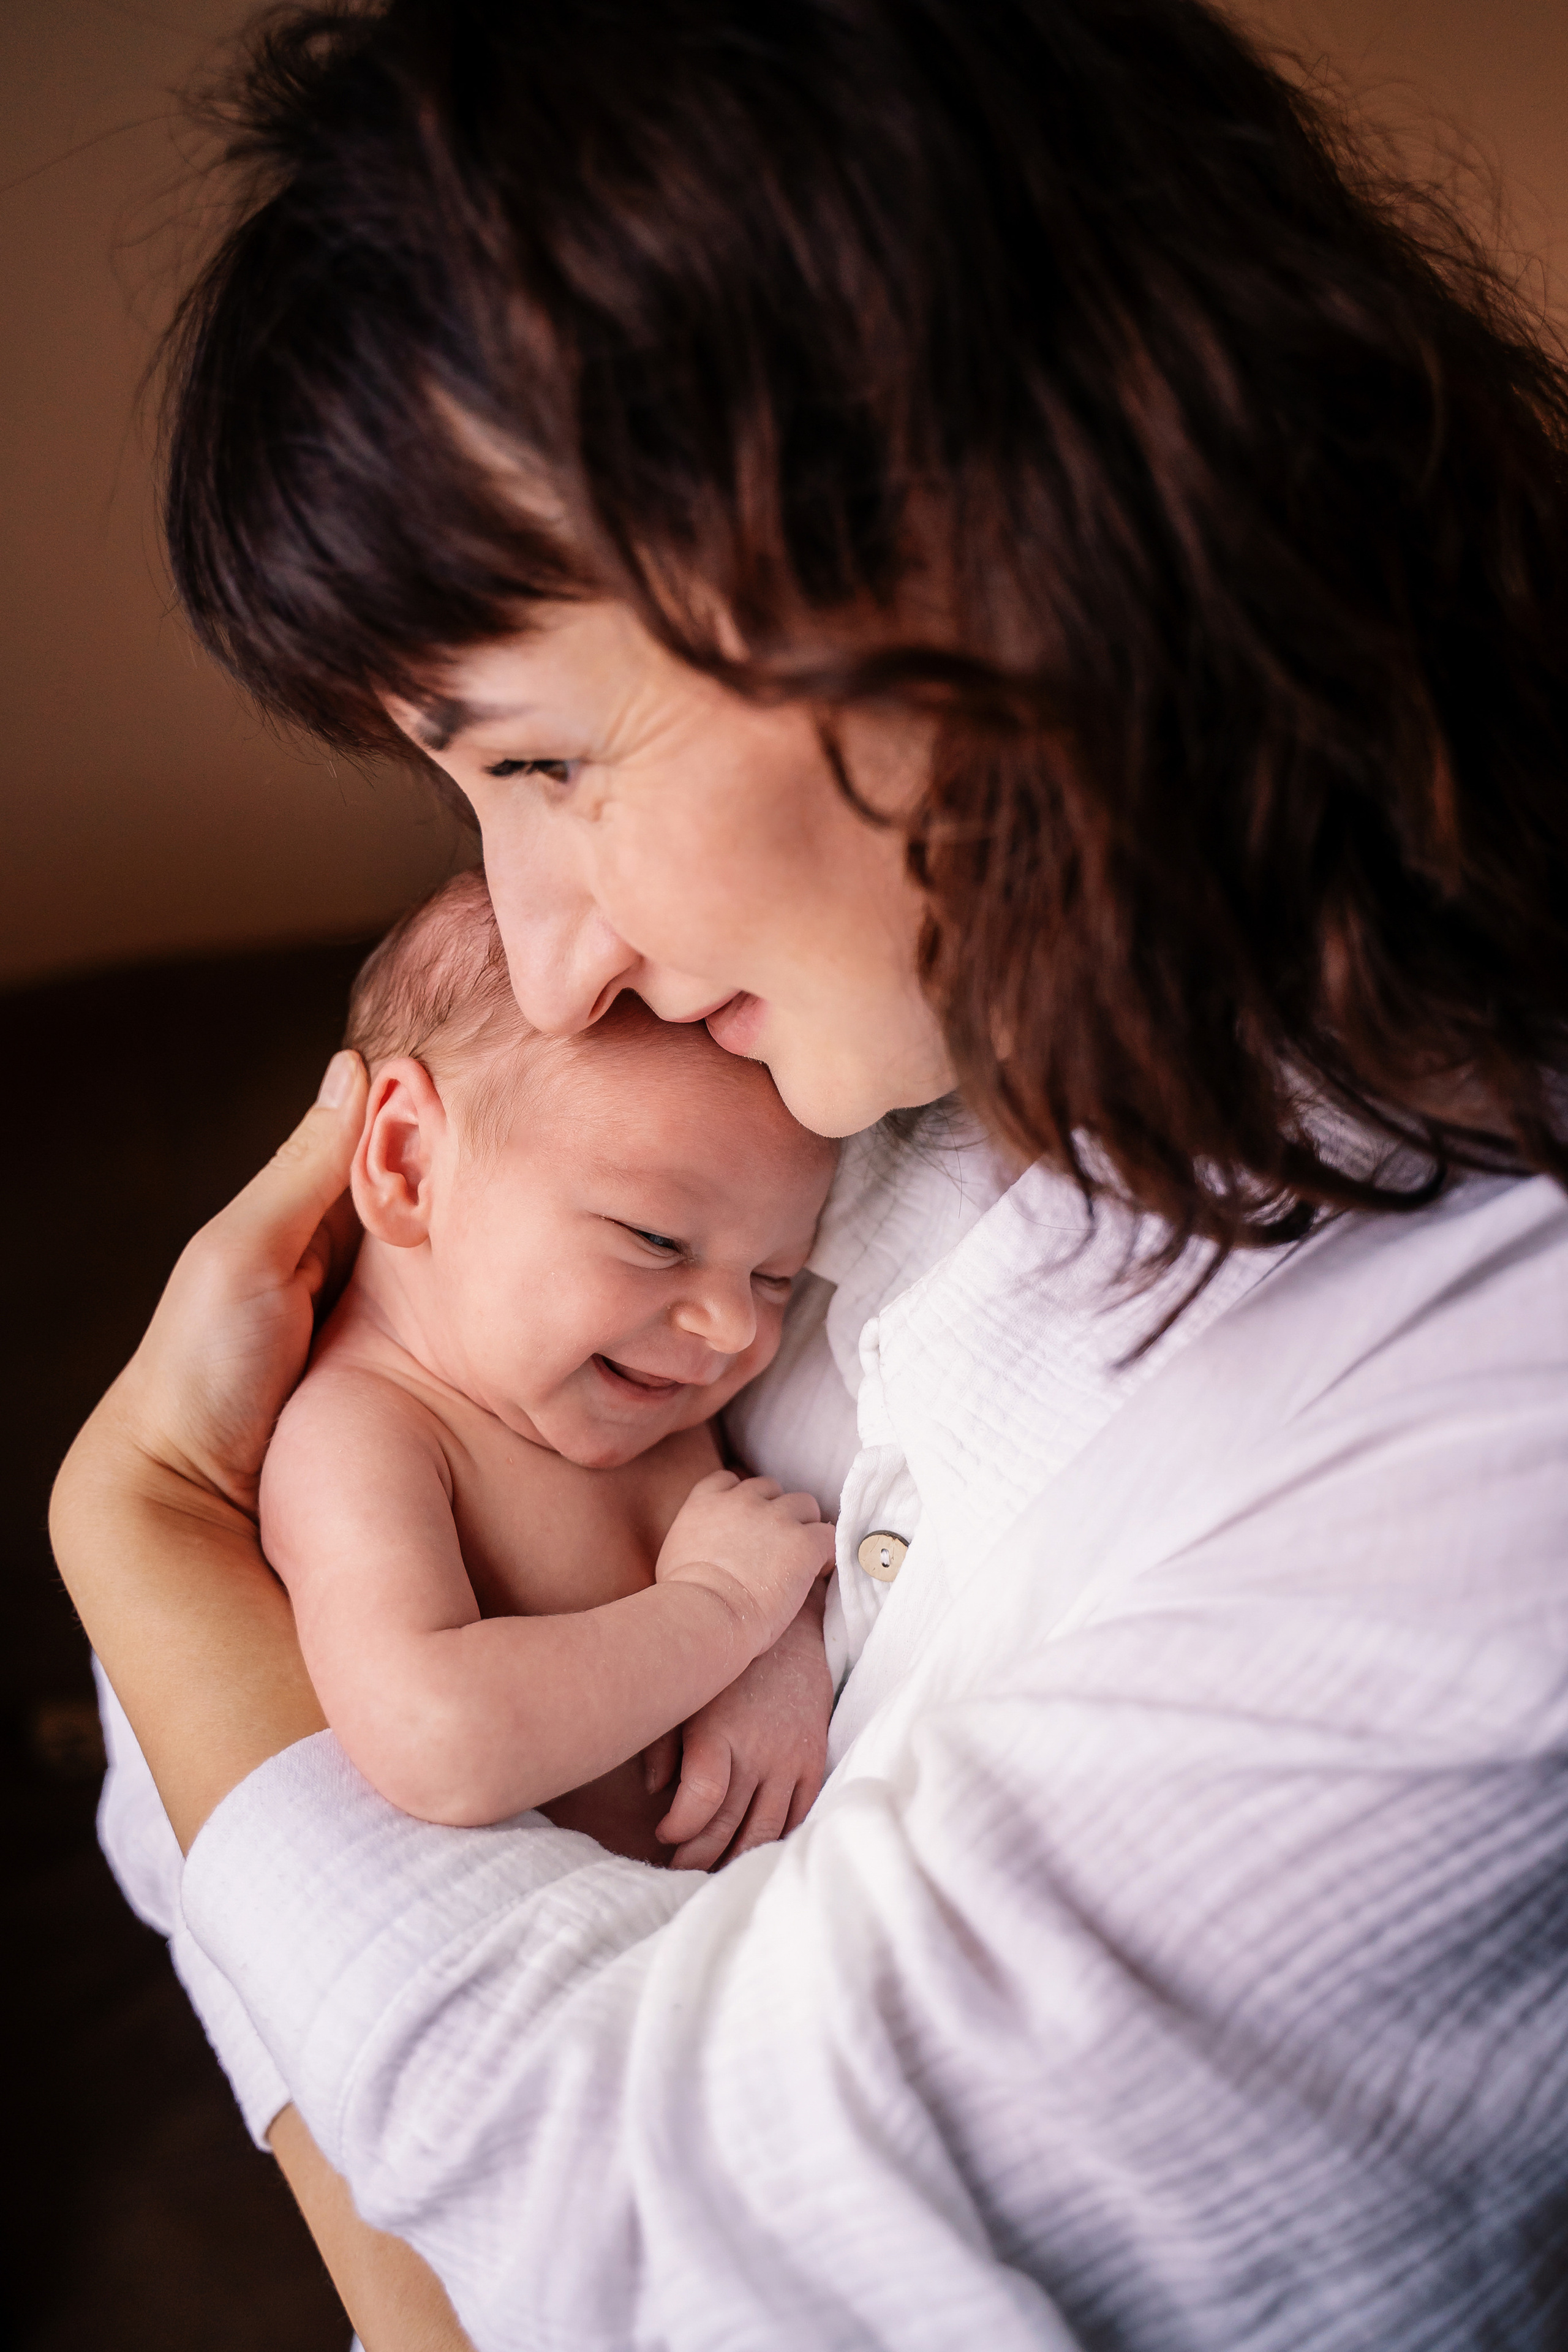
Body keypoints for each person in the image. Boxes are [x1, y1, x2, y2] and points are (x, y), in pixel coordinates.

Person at [51, 1, 1568, 2346]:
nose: (553, 965)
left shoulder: (1488, 1423)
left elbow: (637, 2267)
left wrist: (143, 1543)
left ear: (975, 546)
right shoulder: (917, 1107)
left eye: (547, 758)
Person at [263, 868, 839, 1859]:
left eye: (779, 1276)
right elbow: (434, 1735)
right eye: (657, 1239)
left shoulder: (648, 1388)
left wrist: (779, 1647)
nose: (732, 1326)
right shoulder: (364, 1436)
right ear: (406, 1161)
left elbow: (767, 1557)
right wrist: (723, 1614)